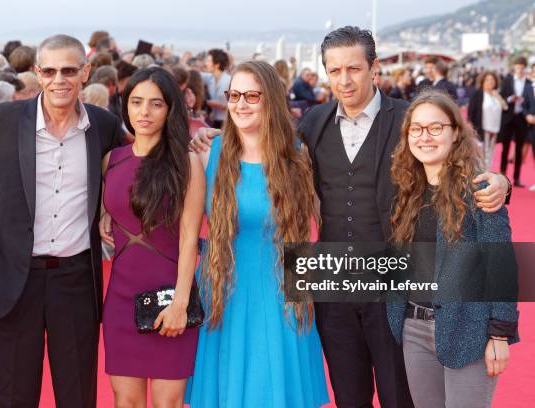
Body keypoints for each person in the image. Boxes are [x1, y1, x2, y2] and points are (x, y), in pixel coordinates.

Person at [189, 26, 510, 408]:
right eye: (334, 70)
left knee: (400, 397)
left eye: (353, 69)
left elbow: (458, 158)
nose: (344, 79)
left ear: (373, 68)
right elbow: (263, 139)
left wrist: (500, 181)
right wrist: (214, 136)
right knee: (349, 397)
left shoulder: (408, 120)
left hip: (395, 287)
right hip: (332, 287)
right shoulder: (312, 124)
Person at [0, 34, 124, 408]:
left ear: (85, 72)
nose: (58, 79)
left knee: (77, 394)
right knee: (11, 396)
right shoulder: (2, 120)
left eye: (68, 70)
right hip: (15, 279)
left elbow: (144, 157)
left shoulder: (104, 125)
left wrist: (196, 143)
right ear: (37, 72)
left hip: (77, 279)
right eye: (49, 70)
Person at [186, 60, 329, 407]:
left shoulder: (297, 157)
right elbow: (187, 233)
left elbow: (325, 220)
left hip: (282, 289)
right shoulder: (207, 152)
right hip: (223, 289)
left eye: (252, 95)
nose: (240, 104)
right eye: (234, 95)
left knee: (274, 391)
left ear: (272, 99)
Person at [387, 90, 519, 408]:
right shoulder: (407, 190)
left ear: (455, 132)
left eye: (436, 128)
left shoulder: (480, 189)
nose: (425, 137)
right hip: (414, 327)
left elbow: (500, 263)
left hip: (468, 329)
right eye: (416, 129)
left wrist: (500, 333)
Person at [99, 66, 204, 407]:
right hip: (119, 300)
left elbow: (190, 238)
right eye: (137, 102)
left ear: (171, 108)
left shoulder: (186, 163)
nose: (144, 112)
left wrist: (180, 304)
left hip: (169, 299)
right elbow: (115, 204)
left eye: (156, 104)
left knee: (167, 403)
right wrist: (104, 214)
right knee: (124, 401)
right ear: (125, 106)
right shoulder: (111, 160)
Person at [499, 56, 533, 187]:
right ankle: (502, 175)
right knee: (505, 147)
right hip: (508, 117)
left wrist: (525, 103)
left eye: (522, 68)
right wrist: (510, 99)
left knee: (519, 148)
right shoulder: (507, 81)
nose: (519, 70)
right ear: (514, 67)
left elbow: (531, 100)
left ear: (525, 69)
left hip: (521, 118)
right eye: (517, 67)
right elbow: (502, 96)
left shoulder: (529, 83)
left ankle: (517, 177)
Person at [467, 71, 508, 170]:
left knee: (490, 154)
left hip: (495, 129)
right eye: (487, 80)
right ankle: (479, 178)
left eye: (492, 79)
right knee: (480, 155)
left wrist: (497, 96)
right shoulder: (478, 94)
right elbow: (471, 111)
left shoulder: (496, 94)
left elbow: (505, 108)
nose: (490, 82)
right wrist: (472, 128)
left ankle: (487, 175)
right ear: (482, 81)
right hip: (482, 128)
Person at [201, 49, 231, 128]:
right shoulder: (209, 78)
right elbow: (193, 74)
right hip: (213, 121)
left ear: (217, 64)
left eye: (208, 61)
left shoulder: (229, 80)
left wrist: (222, 106)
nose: (206, 63)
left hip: (226, 122)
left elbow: (237, 104)